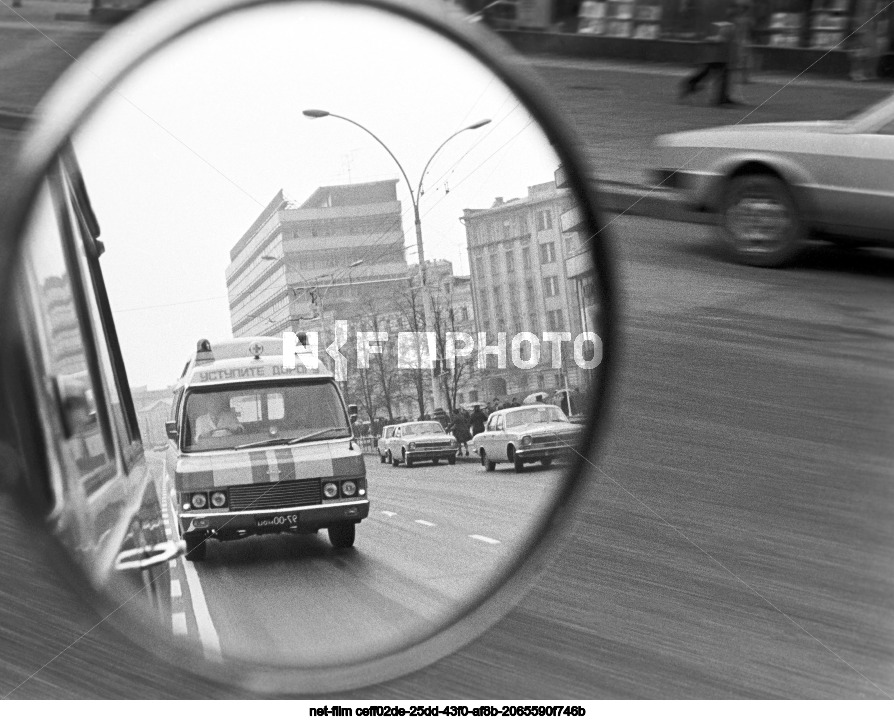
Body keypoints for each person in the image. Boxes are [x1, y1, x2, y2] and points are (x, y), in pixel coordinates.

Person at [679, 3, 741, 106]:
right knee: (713, 73)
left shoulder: (729, 22)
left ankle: (692, 85)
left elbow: (723, 38)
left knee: (713, 72)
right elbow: (720, 38)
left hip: (721, 55)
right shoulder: (726, 23)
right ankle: (692, 84)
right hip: (717, 55)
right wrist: (711, 39)